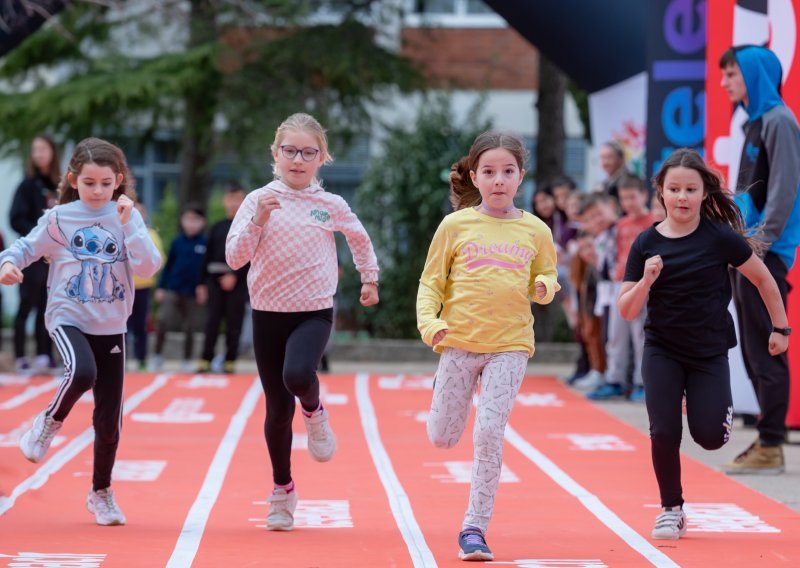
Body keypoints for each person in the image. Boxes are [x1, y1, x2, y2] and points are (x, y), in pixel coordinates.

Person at [618, 148, 789, 540]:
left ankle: (701, 403)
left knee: (710, 437)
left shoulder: (719, 238)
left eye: (690, 189)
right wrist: (646, 281)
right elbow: (628, 310)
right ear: (660, 192)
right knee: (663, 431)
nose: (682, 197)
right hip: (661, 349)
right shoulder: (645, 243)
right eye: (674, 189)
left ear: (704, 194)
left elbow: (763, 279)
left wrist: (780, 328)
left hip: (709, 352)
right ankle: (671, 508)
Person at [225, 112, 379, 532]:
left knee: (298, 375)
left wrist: (370, 278)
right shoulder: (258, 199)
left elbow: (360, 238)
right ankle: (282, 490)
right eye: (290, 151)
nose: (297, 159)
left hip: (313, 310)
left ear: (321, 157)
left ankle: (314, 413)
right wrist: (258, 219)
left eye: (308, 152)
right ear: (275, 153)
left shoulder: (330, 205)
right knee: (276, 410)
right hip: (267, 312)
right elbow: (234, 258)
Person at [0, 137, 162, 525]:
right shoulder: (59, 218)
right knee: (82, 372)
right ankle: (48, 423)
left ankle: (101, 493)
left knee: (109, 423)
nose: (97, 191)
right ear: (74, 179)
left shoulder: (128, 217)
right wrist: (7, 265)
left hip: (112, 327)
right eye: (89, 183)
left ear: (118, 180)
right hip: (67, 316)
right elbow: (23, 248)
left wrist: (129, 226)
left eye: (105, 183)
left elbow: (149, 268)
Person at [417, 131, 559, 561]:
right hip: (459, 343)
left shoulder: (536, 229)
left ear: (521, 177)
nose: (499, 180)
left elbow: (550, 277)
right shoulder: (455, 225)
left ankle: (474, 527)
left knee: (489, 432)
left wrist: (543, 287)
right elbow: (430, 283)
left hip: (510, 346)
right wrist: (430, 323)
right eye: (490, 172)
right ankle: (443, 388)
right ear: (475, 177)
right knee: (443, 438)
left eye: (508, 172)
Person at [719, 45, 800, 474]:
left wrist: (758, 249)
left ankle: (771, 444)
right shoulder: (755, 123)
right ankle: (767, 441)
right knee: (753, 347)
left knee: (767, 347)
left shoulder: (780, 122)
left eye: (731, 73)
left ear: (753, 74)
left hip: (764, 254)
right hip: (746, 252)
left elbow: (785, 191)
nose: (724, 81)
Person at [587, 174, 654, 402]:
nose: (628, 203)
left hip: (643, 286)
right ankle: (615, 379)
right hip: (620, 284)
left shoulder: (654, 223)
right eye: (624, 198)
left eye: (632, 197)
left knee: (641, 335)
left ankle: (642, 382)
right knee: (616, 335)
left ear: (644, 195)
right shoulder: (620, 225)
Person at [9, 135, 60, 373]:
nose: (38, 153)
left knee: (48, 305)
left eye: (43, 149)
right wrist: (40, 237)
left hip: (55, 257)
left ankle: (44, 354)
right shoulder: (27, 184)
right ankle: (20, 356)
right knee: (26, 304)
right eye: (35, 149)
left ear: (52, 152)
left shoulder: (60, 184)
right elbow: (15, 218)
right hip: (33, 255)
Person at [196, 181, 249, 374]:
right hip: (214, 280)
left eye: (238, 198)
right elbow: (207, 256)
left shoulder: (249, 227)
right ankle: (205, 358)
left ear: (244, 200)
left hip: (239, 280)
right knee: (212, 320)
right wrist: (201, 284)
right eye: (230, 198)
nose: (234, 203)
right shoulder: (217, 226)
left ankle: (230, 360)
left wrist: (234, 275)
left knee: (234, 321)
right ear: (224, 200)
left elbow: (250, 256)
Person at [151, 203, 207, 371]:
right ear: (182, 221)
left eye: (195, 219)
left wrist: (203, 287)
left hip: (193, 293)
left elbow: (206, 269)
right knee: (163, 321)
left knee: (190, 327)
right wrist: (161, 287)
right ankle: (157, 356)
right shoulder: (177, 241)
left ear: (202, 222)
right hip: (173, 290)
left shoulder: (205, 243)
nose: (191, 223)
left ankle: (187, 359)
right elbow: (168, 266)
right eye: (188, 219)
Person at [126, 200, 164, 371]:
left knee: (141, 325)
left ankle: (142, 359)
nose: (137, 214)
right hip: (123, 288)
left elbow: (159, 259)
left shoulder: (151, 234)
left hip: (143, 287)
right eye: (135, 210)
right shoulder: (121, 232)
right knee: (122, 325)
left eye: (141, 211)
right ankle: (121, 359)